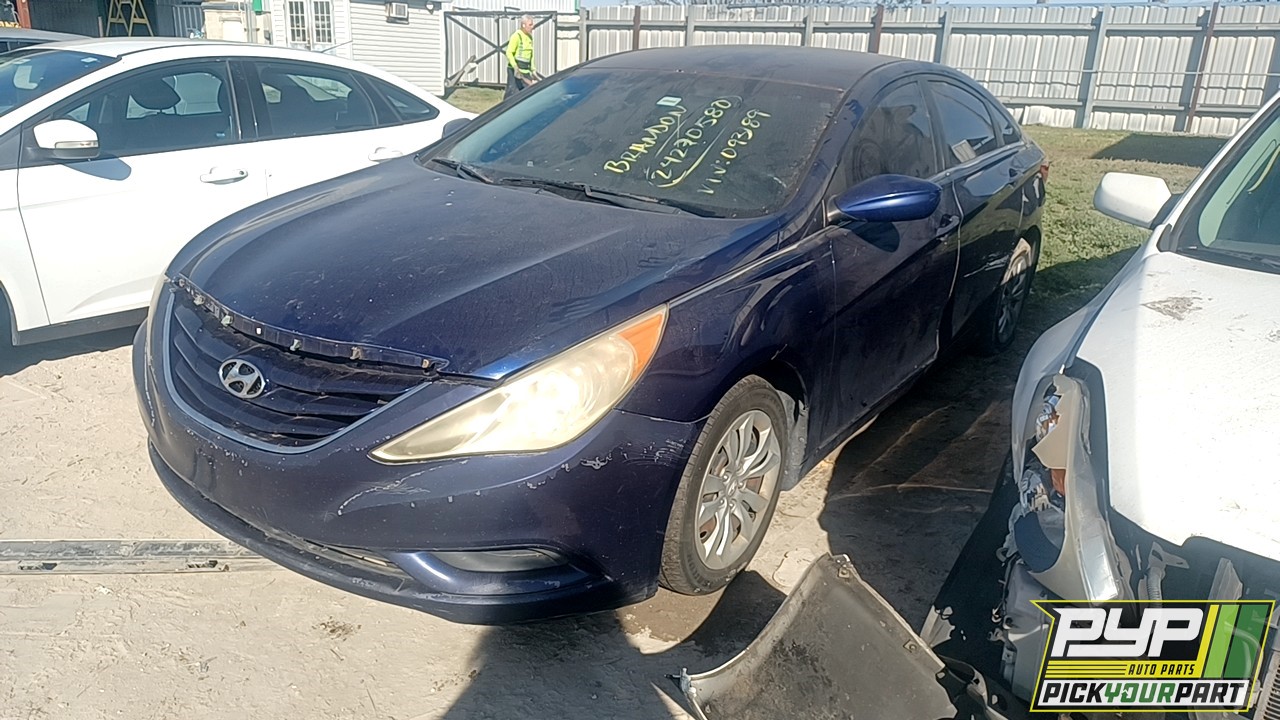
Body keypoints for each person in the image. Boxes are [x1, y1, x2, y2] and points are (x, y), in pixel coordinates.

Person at [504, 15, 537, 99]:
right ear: (523, 25)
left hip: (526, 71)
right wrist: (515, 67)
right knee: (512, 93)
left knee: (528, 94)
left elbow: (531, 54)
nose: (533, 27)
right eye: (530, 25)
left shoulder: (529, 37)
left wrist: (533, 70)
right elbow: (509, 52)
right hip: (515, 70)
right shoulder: (516, 36)